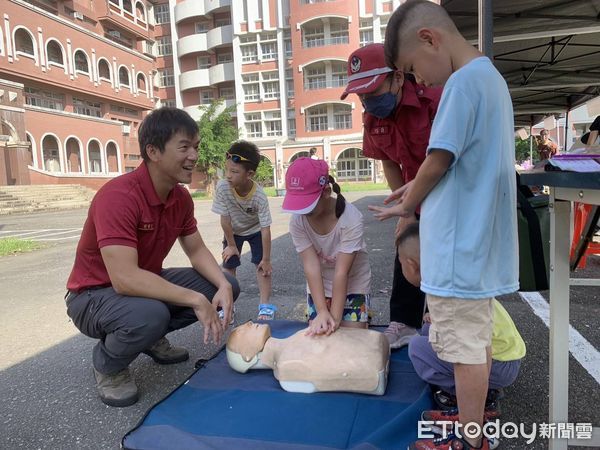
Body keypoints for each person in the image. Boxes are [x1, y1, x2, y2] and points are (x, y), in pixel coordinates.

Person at [383, 1, 519, 449]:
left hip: (459, 247)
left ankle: (469, 439)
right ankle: (472, 422)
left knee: (463, 348)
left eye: (412, 68)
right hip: (475, 244)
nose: (417, 80)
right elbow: (461, 163)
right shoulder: (489, 79)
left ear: (429, 39)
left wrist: (407, 206)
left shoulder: (462, 84)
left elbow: (439, 158)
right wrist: (412, 191)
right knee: (473, 343)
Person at [65, 107, 240, 408]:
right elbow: (124, 278)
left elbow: (196, 250)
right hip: (92, 296)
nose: (194, 156)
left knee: (224, 283)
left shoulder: (179, 197)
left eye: (196, 147)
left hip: (140, 285)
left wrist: (223, 286)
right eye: (184, 147)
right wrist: (196, 300)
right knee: (151, 315)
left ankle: (148, 337)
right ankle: (108, 363)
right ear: (153, 151)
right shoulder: (119, 196)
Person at [342, 42, 442, 349]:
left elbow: (447, 159)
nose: (368, 102)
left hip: (450, 193)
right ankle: (405, 322)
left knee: (446, 261)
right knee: (407, 255)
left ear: (397, 77)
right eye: (361, 96)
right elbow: (389, 162)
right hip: (413, 196)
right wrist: (406, 211)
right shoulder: (373, 119)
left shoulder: (436, 101)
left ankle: (442, 322)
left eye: (372, 92)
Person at [396, 223, 525, 418]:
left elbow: (458, 345)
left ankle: (469, 399)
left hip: (496, 364)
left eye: (401, 262)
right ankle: (484, 389)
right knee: (426, 330)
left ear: (411, 265)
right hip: (508, 357)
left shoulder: (442, 296)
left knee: (416, 347)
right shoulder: (458, 279)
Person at [282, 157, 371, 336]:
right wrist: (322, 311)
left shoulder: (351, 218)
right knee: (319, 336)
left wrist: (336, 318)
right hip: (319, 283)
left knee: (352, 337)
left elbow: (341, 272)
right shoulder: (298, 221)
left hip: (353, 281)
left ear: (326, 192)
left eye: (309, 207)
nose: (304, 214)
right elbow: (311, 265)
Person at [226, 321, 389, 395]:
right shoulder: (287, 366)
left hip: (373, 349)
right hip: (372, 363)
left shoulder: (296, 339)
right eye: (242, 332)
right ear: (247, 357)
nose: (248, 323)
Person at [211, 140, 273, 309]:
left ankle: (265, 305)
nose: (228, 175)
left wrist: (266, 259)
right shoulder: (223, 187)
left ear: (250, 174)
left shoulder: (259, 196)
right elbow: (225, 219)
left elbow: (265, 229)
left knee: (262, 267)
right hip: (233, 231)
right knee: (229, 265)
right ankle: (228, 306)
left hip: (256, 230)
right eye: (226, 170)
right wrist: (231, 245)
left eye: (234, 171)